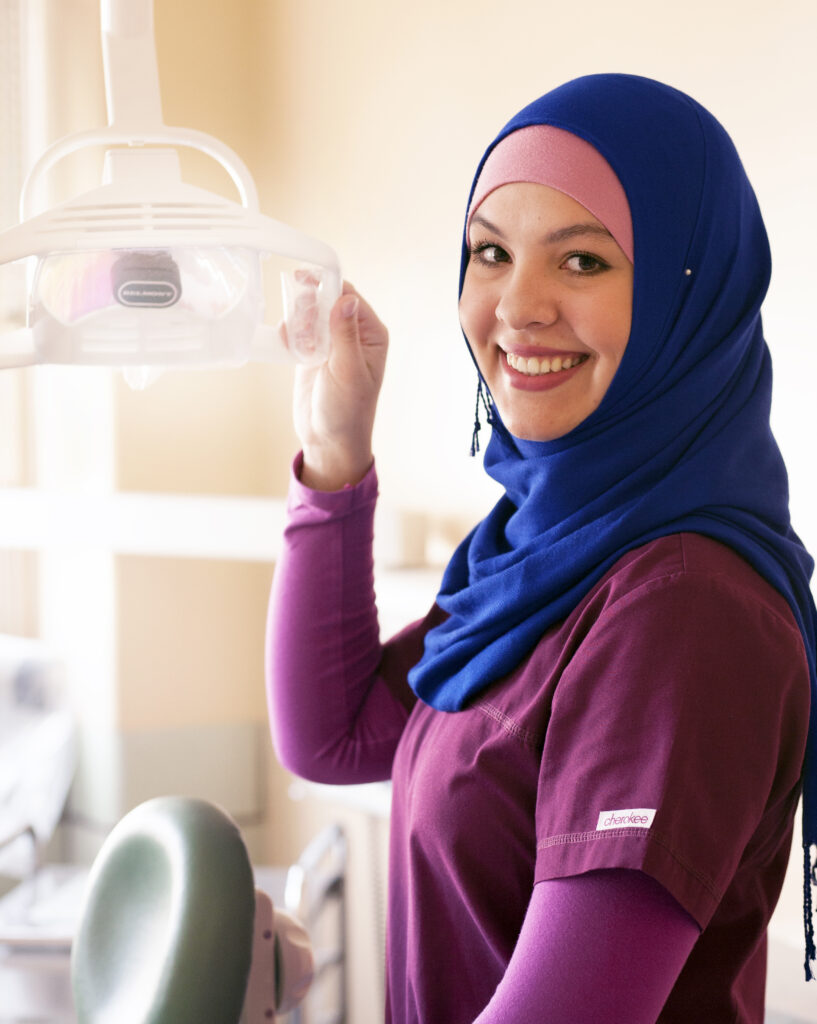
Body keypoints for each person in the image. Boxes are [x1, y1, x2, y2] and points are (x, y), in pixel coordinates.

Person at [265, 74, 817, 1023]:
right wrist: (335, 450)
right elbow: (337, 734)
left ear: (693, 293)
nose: (516, 307)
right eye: (490, 253)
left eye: (583, 263)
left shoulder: (682, 611)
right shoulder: (546, 552)